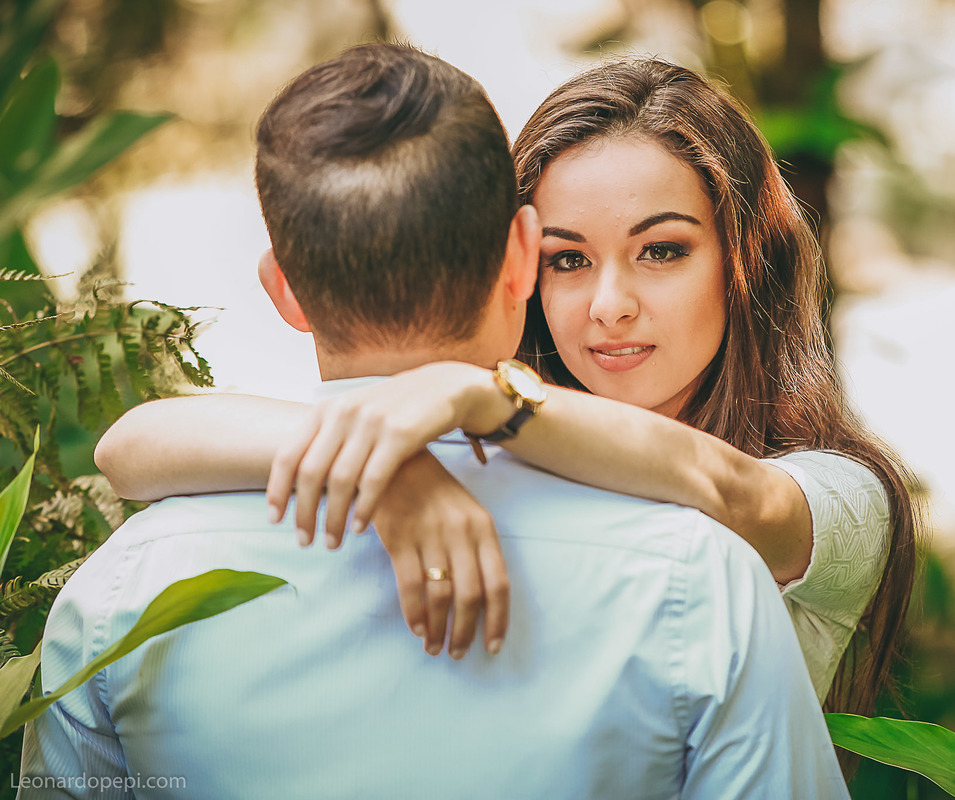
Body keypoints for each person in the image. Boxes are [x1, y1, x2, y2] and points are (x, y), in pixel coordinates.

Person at [18, 43, 849, 798]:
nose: (610, 306)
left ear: (285, 289)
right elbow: (129, 445)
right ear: (522, 258)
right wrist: (398, 468)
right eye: (568, 258)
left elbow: (739, 492)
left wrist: (463, 405)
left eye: (661, 250)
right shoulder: (699, 579)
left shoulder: (122, 588)